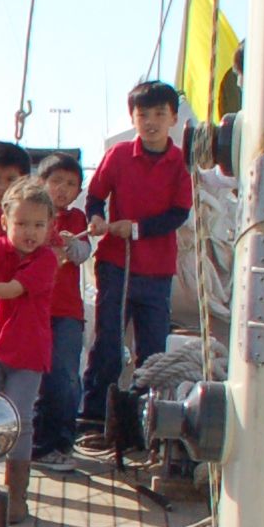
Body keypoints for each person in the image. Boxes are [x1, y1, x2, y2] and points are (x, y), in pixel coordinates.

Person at [79, 79, 196, 453]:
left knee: (152, 352)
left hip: (157, 271)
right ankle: (94, 418)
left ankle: (147, 422)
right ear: (133, 118)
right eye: (143, 114)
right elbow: (95, 197)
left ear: (173, 118)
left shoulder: (180, 162)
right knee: (108, 345)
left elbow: (179, 212)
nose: (150, 122)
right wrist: (97, 219)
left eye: (159, 114)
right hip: (116, 264)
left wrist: (140, 229)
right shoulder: (117, 157)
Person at [0, 178, 61, 514]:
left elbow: (12, 289)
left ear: (51, 227)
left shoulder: (47, 260)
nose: (30, 232)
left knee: (19, 421)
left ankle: (16, 495)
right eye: (21, 223)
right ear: (5, 222)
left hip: (28, 356)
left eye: (39, 225)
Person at [29, 154, 94, 474]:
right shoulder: (29, 216)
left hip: (67, 311)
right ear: (41, 183)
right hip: (31, 309)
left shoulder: (77, 219)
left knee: (65, 378)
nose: (63, 189)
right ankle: (35, 444)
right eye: (56, 182)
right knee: (33, 379)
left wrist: (69, 246)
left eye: (71, 184)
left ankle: (61, 441)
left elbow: (83, 254)